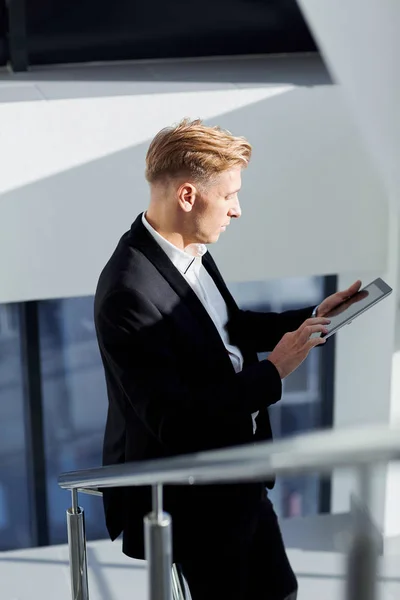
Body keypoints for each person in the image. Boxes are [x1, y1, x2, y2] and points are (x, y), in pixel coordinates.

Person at [94, 118, 361, 600]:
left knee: (282, 592)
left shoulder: (189, 248)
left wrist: (314, 315)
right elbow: (174, 422)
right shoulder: (127, 292)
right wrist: (275, 369)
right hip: (195, 501)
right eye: (230, 195)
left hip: (240, 475)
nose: (238, 210)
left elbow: (228, 329)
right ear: (189, 196)